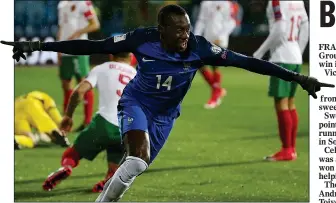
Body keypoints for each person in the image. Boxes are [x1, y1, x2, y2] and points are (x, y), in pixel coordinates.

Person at [1, 4, 332, 202]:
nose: (185, 36)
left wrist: (299, 78)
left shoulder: (200, 48)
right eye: (178, 31)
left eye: (187, 30)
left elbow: (249, 62)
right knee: (136, 158)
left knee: (139, 166)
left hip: (165, 117)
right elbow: (92, 46)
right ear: (161, 31)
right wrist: (34, 45)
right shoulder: (141, 39)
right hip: (135, 103)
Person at [42, 52, 136, 193]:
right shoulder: (137, 74)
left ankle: (66, 168)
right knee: (114, 164)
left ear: (111, 55)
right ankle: (109, 180)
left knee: (71, 155)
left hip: (103, 123)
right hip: (127, 129)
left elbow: (79, 92)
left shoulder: (102, 68)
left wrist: (68, 116)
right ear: (130, 58)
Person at [253, 1, 309, 161]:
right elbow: (306, 27)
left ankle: (287, 149)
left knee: (282, 103)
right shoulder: (297, 1)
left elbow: (280, 29)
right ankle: (291, 149)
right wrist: (298, 50)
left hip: (282, 58)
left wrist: (259, 53)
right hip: (295, 57)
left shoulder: (276, 2)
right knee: (290, 103)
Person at [57, 0, 100, 132]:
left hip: (78, 48)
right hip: (65, 50)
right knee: (65, 84)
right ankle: (67, 122)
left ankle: (87, 122)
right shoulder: (62, 5)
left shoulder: (83, 3)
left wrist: (78, 33)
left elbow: (95, 24)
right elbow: (61, 27)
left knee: (83, 83)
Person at [193, 1, 238, 109]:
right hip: (207, 39)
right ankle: (217, 90)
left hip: (219, 40)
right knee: (199, 64)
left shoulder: (226, 3)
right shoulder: (205, 3)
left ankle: (215, 97)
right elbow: (201, 21)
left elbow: (231, 22)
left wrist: (221, 37)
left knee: (214, 65)